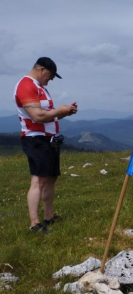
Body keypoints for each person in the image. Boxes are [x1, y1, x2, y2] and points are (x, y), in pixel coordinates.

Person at [14, 57, 78, 233]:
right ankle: (34, 223)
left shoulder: (40, 87)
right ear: (42, 69)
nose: (50, 80)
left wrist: (65, 113)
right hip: (36, 138)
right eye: (50, 76)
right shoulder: (26, 85)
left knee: (50, 177)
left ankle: (49, 216)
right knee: (39, 180)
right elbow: (37, 116)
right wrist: (60, 110)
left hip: (49, 138)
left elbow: (48, 115)